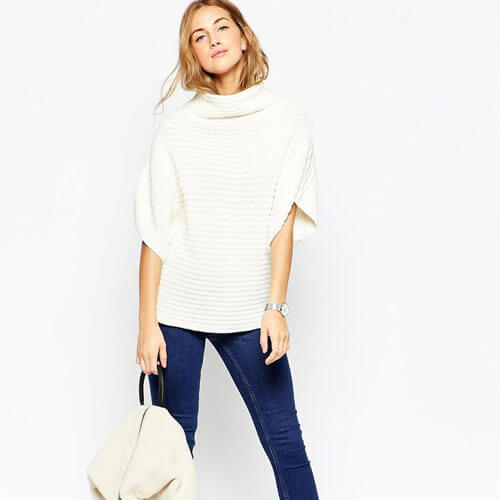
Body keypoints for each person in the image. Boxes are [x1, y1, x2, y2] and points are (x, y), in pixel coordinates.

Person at [134, 1, 320, 498]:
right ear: (192, 52)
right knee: (171, 454)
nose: (213, 39)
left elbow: (282, 221)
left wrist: (275, 307)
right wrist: (147, 323)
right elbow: (154, 231)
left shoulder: (288, 121)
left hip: (249, 308)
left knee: (285, 441)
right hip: (178, 309)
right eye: (199, 35)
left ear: (243, 36)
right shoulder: (176, 130)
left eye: (222, 27)